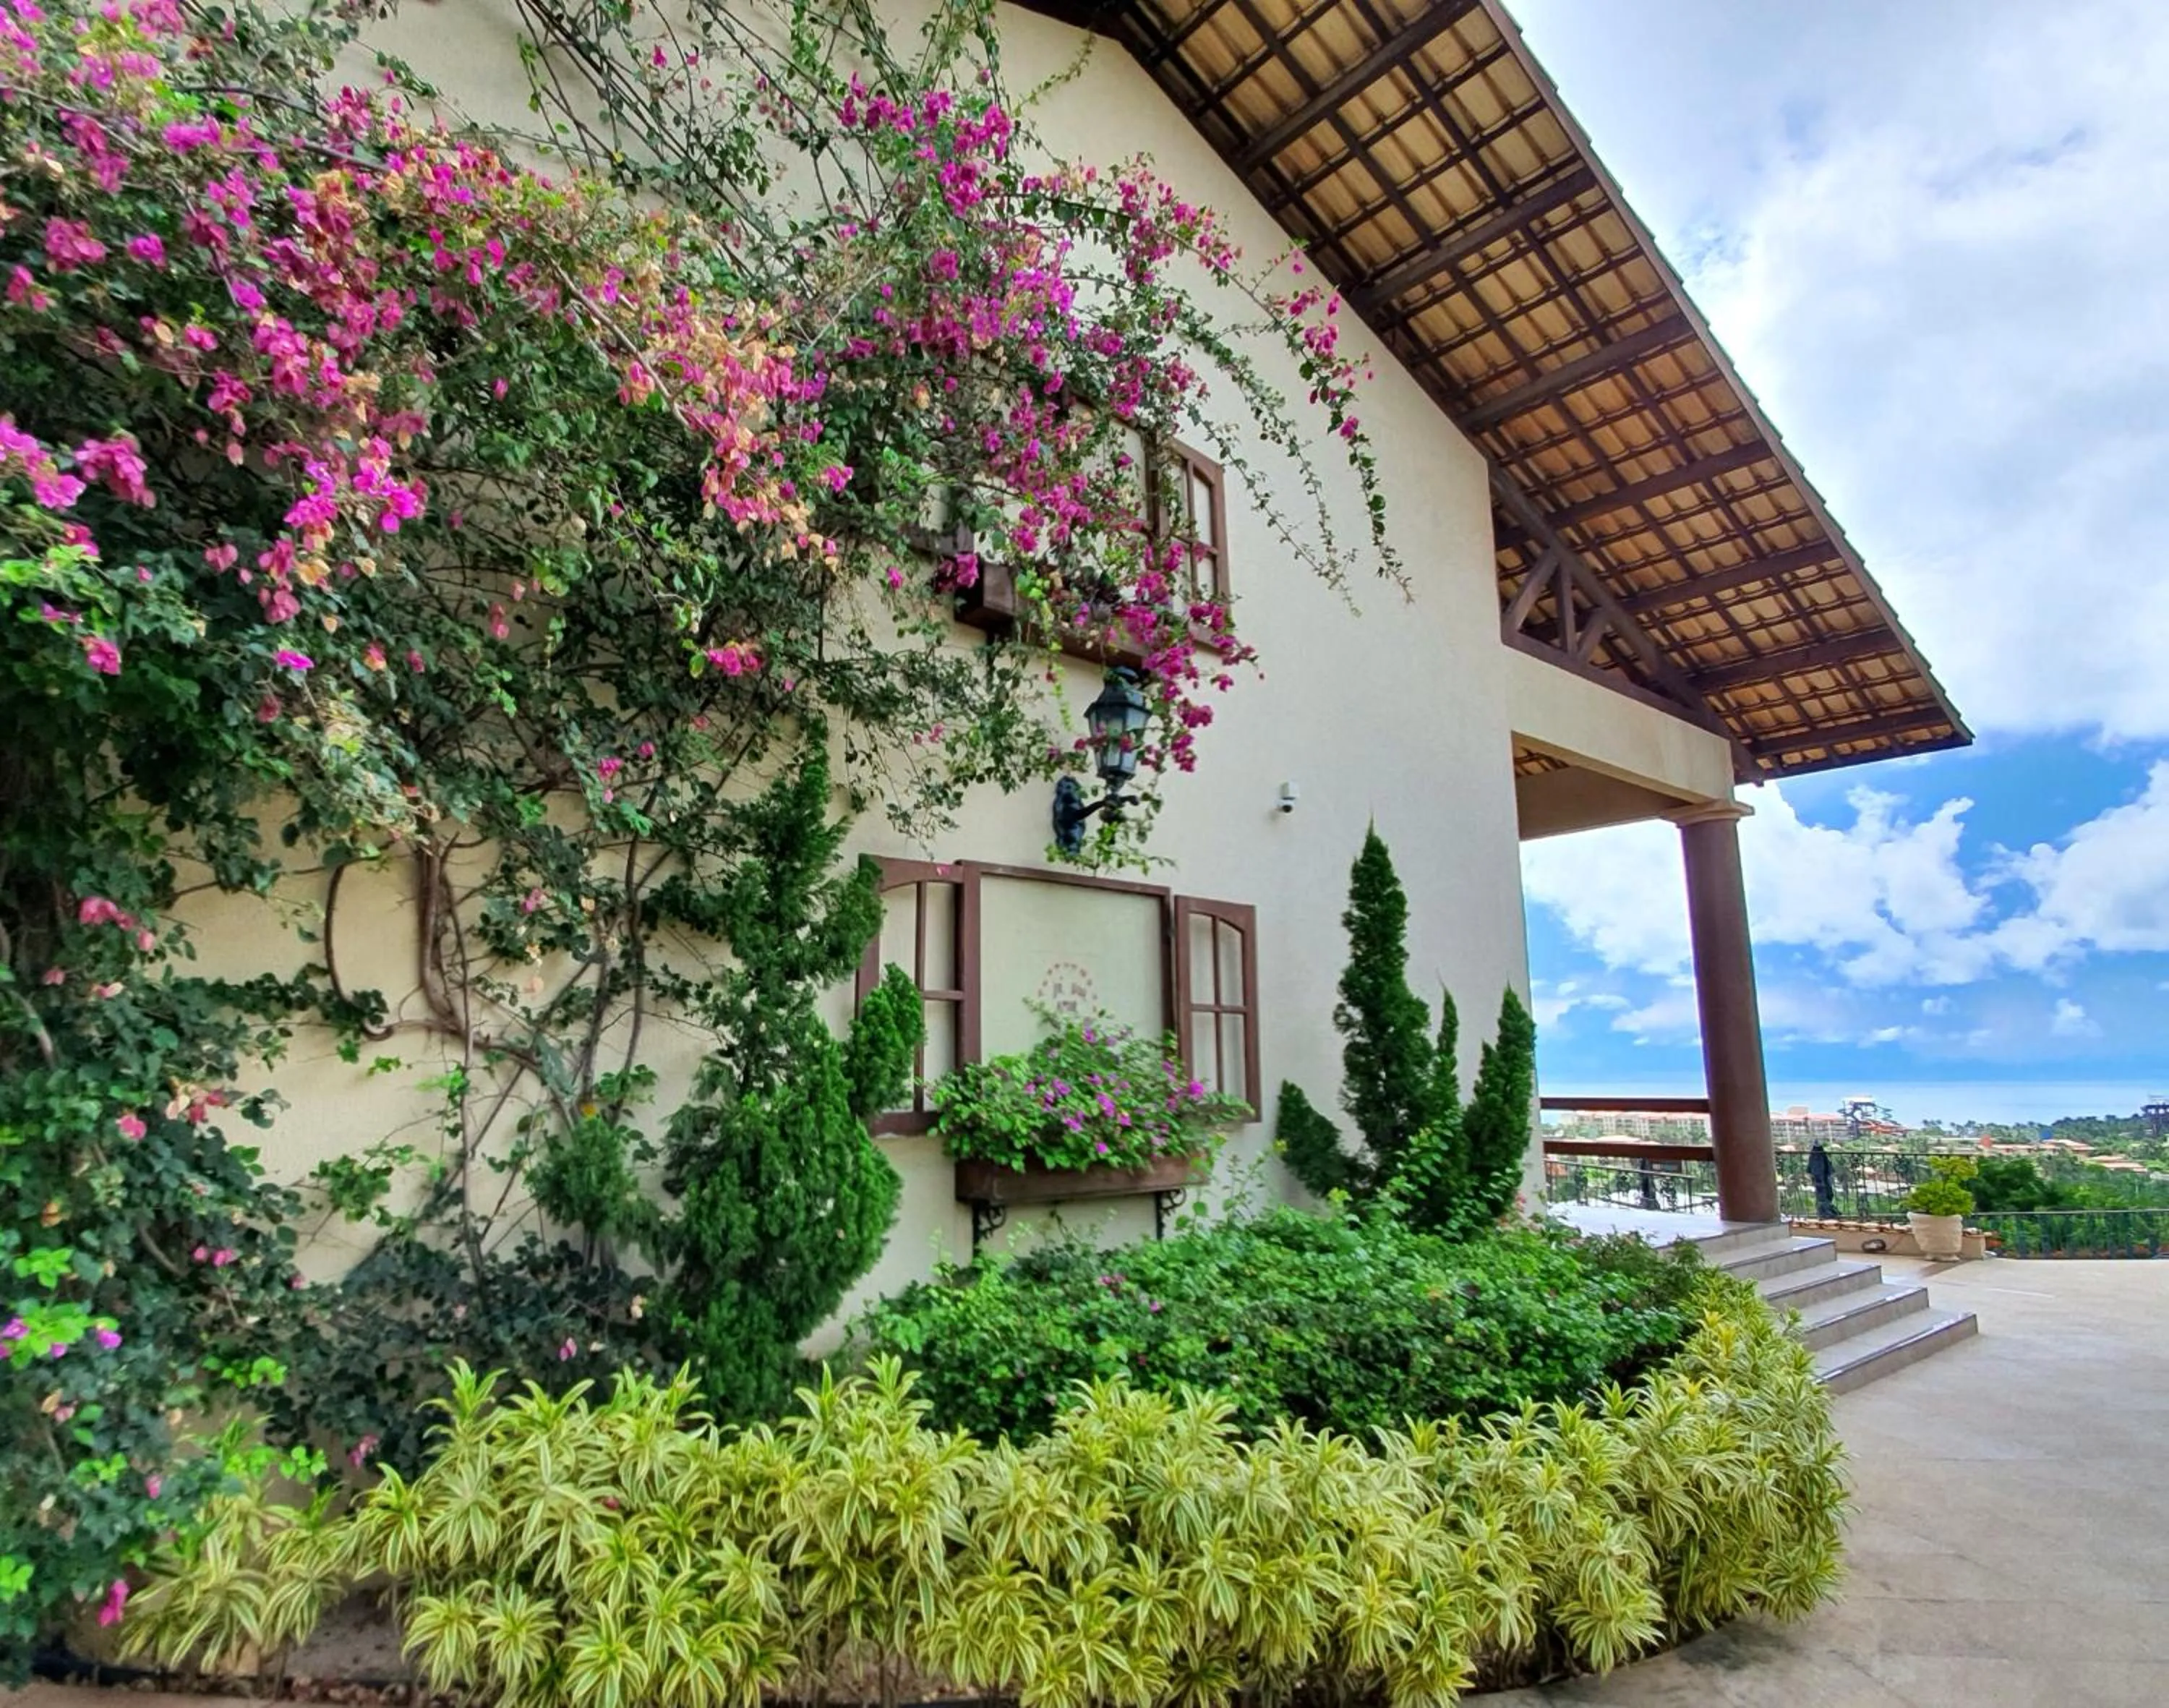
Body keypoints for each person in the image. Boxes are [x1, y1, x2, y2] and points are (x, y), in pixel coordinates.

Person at [1808, 1137, 1838, 1220]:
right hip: (1820, 1179)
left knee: (1826, 1195)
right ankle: (1824, 1212)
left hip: (1822, 1179)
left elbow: (1810, 1169)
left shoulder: (1815, 1155)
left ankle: (1825, 1212)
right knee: (1823, 1196)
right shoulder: (1818, 1154)